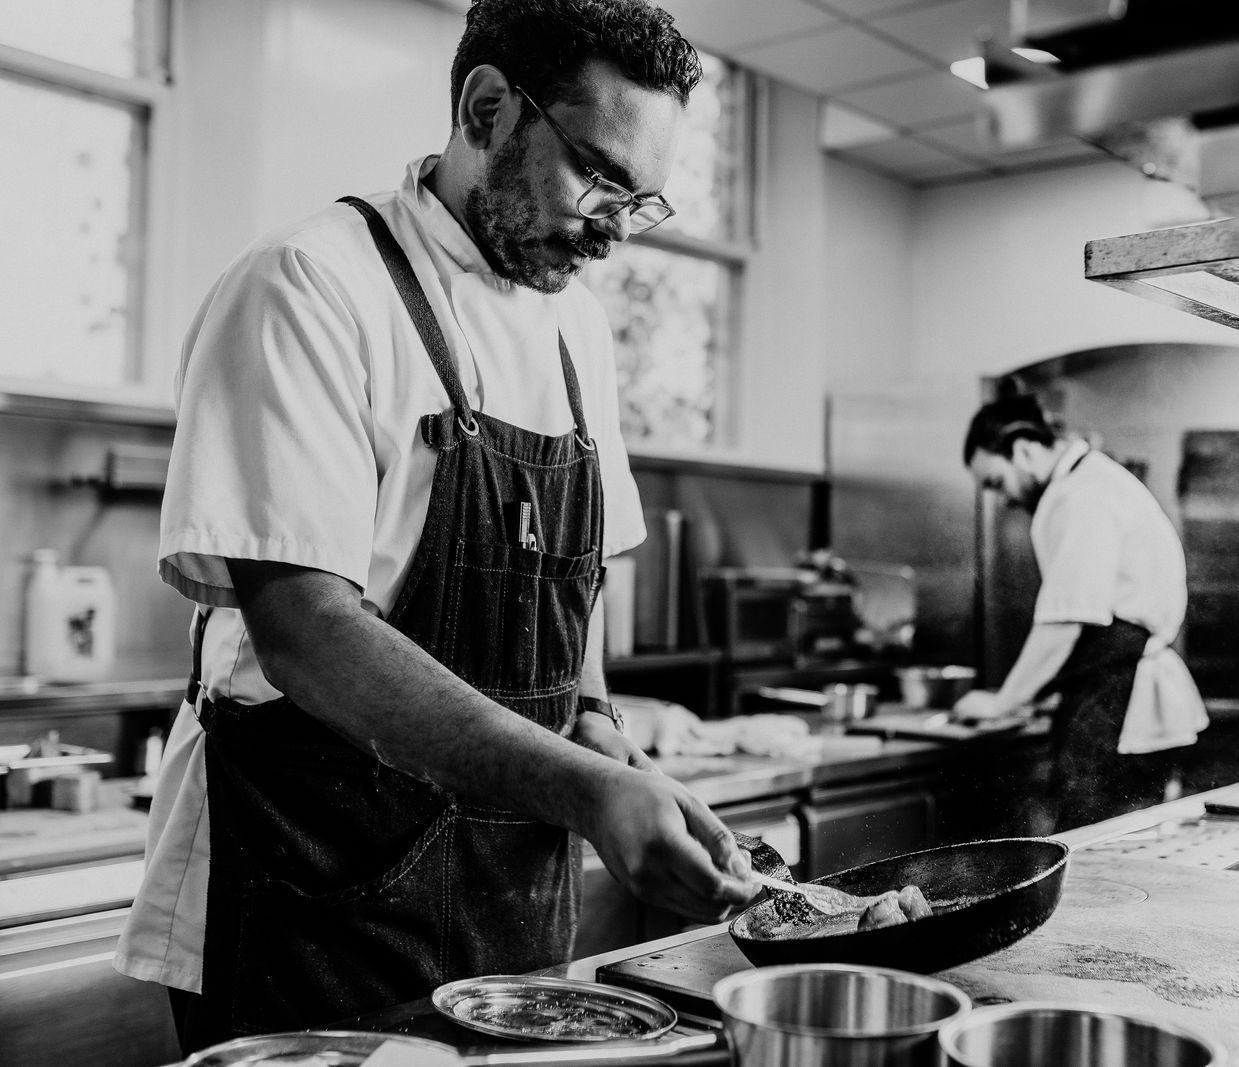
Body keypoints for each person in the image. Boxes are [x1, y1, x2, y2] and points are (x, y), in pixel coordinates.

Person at [113, 0, 757, 1051]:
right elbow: (308, 632)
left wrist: (602, 732)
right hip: (314, 893)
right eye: (597, 175)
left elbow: (575, 589)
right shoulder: (311, 285)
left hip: (510, 905)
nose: (611, 228)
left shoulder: (576, 330)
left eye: (638, 201)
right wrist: (584, 787)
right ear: (487, 106)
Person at [954, 394, 1209, 833]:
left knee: (1091, 859)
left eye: (996, 482)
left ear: (1024, 451)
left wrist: (1005, 701)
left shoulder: (1080, 493)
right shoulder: (1094, 480)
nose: (1003, 499)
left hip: (1120, 701)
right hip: (1122, 694)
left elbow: (1065, 619)